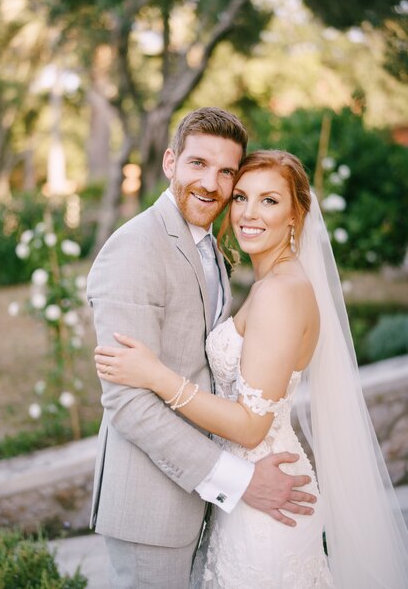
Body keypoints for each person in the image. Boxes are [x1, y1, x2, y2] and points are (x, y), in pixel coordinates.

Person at [95, 149, 408, 588]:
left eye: (269, 201)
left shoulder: (281, 293)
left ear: (297, 214)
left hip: (265, 500)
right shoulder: (273, 281)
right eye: (241, 197)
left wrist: (155, 376)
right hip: (245, 494)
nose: (248, 213)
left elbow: (250, 427)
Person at [87, 112, 316, 589]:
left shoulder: (213, 248)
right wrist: (239, 479)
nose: (211, 183)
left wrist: (235, 481)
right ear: (171, 161)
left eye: (226, 172)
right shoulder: (134, 249)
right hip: (155, 507)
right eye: (198, 163)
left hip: (213, 495)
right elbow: (127, 402)